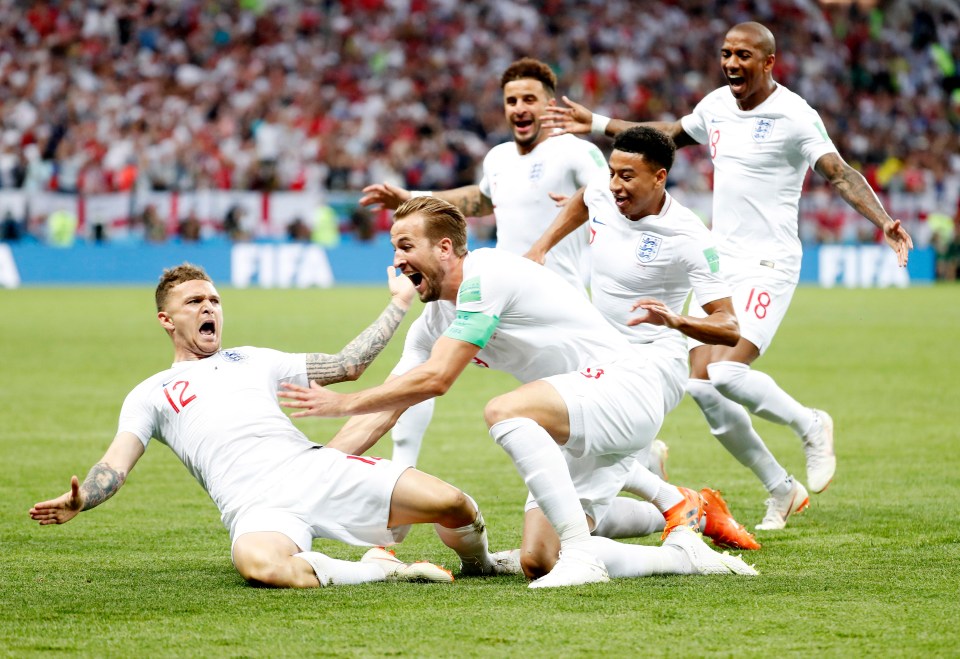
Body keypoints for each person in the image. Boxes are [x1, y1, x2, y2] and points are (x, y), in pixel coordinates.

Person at [544, 21, 914, 529]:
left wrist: (884, 222)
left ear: (769, 63)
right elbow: (665, 138)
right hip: (723, 258)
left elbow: (839, 172)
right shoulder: (717, 104)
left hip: (770, 262)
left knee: (725, 372)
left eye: (743, 55)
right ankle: (780, 488)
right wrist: (598, 121)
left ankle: (810, 424)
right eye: (726, 54)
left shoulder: (795, 115)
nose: (732, 63)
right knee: (701, 387)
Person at [280, 196, 758, 588]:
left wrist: (342, 400)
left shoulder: (488, 274)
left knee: (505, 410)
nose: (397, 259)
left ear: (445, 248)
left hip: (623, 387)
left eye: (406, 245)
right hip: (572, 415)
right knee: (537, 559)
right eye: (393, 247)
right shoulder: (432, 323)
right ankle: (682, 551)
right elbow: (389, 406)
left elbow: (438, 379)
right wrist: (307, 475)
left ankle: (584, 552)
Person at [29, 263, 517, 588]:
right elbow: (116, 464)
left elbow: (348, 365)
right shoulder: (150, 393)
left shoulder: (253, 359)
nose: (208, 309)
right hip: (253, 504)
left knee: (453, 505)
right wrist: (83, 498)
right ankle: (380, 571)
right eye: (194, 302)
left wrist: (398, 303)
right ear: (166, 319)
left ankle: (483, 563)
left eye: (214, 300)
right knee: (260, 566)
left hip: (312, 469)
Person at [358, 57, 615, 474]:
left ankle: (646, 471)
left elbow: (605, 186)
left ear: (550, 105)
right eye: (511, 99)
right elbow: (478, 200)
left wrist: (544, 242)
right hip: (489, 297)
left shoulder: (574, 151)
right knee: (419, 359)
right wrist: (411, 196)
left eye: (529, 98)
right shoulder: (497, 158)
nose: (519, 107)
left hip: (551, 312)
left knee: (584, 430)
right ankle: (398, 478)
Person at [525, 126, 758, 550]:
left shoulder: (688, 236)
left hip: (655, 363)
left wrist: (675, 321)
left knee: (575, 456)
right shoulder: (604, 190)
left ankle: (662, 487)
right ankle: (693, 506)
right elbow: (584, 199)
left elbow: (729, 325)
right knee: (579, 518)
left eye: (627, 176)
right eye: (613, 172)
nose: (615, 185)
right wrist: (542, 246)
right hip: (600, 355)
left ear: (660, 177)